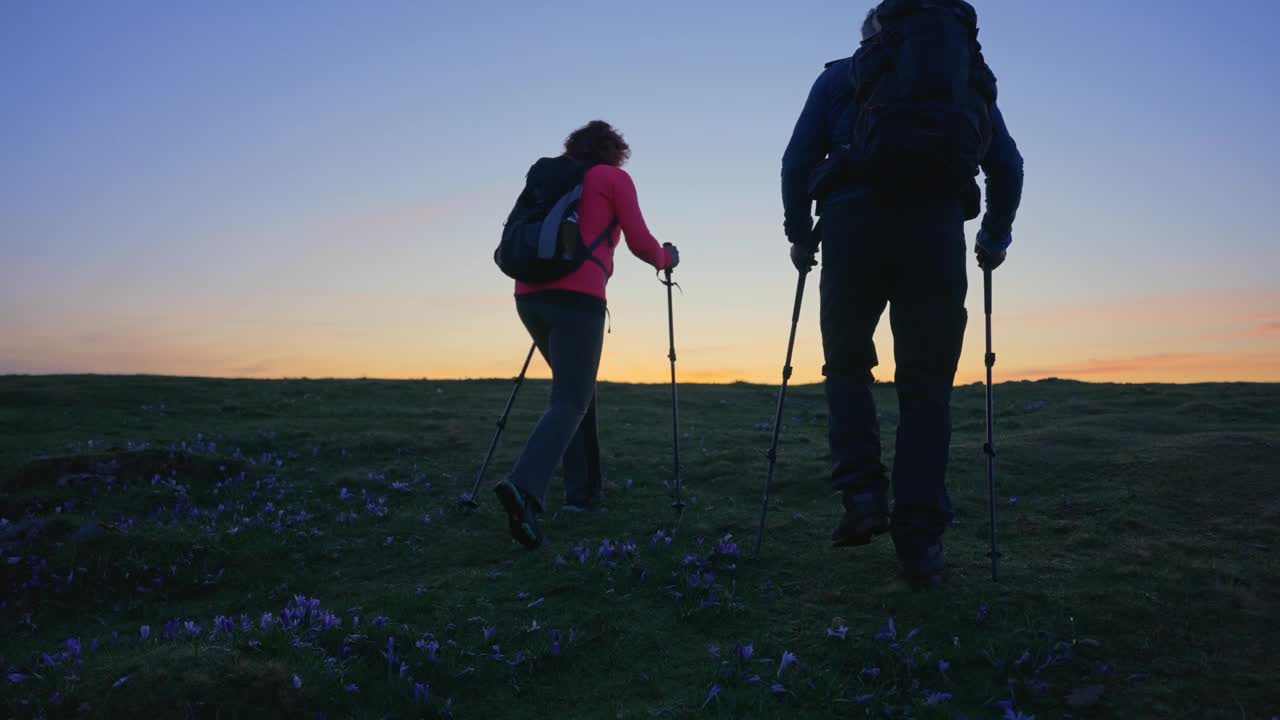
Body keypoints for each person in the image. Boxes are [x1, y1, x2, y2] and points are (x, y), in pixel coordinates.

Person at [780, 1, 1024, 586]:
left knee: (846, 363)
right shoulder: (962, 78)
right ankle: (920, 543)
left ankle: (862, 495)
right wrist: (992, 239)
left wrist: (798, 238)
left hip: (850, 227)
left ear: (874, 37)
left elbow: (795, 163)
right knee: (925, 383)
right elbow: (1008, 167)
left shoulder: (839, 77)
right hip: (935, 232)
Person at [494, 120, 679, 549]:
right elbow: (639, 241)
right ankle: (524, 487)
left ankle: (582, 494)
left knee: (576, 393)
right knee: (571, 400)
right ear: (615, 151)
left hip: (528, 298)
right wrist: (666, 258)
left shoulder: (550, 177)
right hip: (578, 301)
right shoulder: (612, 179)